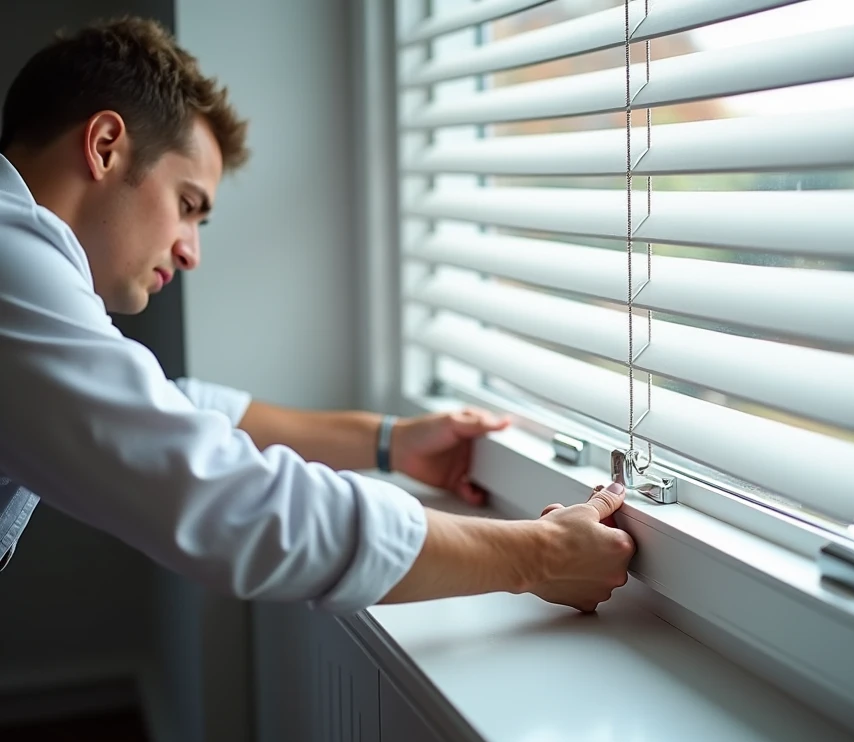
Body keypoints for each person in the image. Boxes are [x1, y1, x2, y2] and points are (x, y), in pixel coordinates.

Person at [0, 18, 634, 616]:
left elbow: (173, 409)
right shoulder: (12, 265)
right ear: (106, 146)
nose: (191, 251)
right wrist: (542, 556)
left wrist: (390, 441)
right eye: (188, 204)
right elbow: (223, 499)